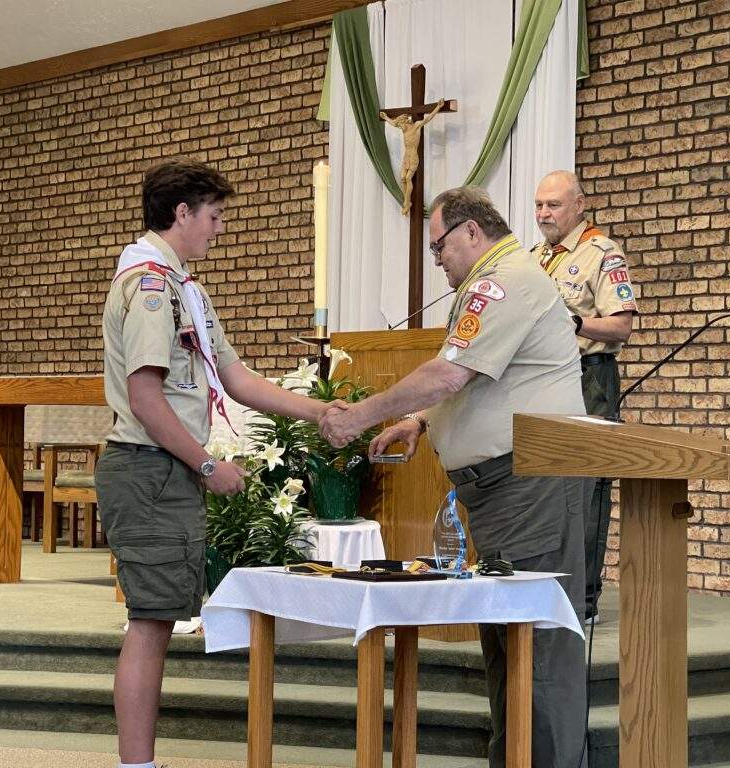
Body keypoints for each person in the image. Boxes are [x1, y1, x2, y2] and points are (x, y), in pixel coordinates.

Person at [320, 186, 593, 768]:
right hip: (504, 488)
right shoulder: (484, 285)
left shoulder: (506, 279)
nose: (436, 257)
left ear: (473, 231)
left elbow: (450, 374)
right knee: (505, 639)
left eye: (439, 244)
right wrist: (418, 421)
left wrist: (364, 415)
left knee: (538, 642)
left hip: (534, 482)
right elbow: (477, 378)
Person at [95, 159, 334, 768]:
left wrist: (323, 412)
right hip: (149, 468)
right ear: (183, 213)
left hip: (163, 469)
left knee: (159, 617)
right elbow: (147, 398)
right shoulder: (150, 287)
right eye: (215, 215)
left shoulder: (183, 290)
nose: (219, 228)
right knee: (150, 623)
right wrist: (207, 466)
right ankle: (136, 765)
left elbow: (237, 378)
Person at [531, 169, 638, 624]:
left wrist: (574, 324)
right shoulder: (535, 258)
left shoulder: (602, 254)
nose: (543, 214)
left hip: (588, 379)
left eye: (553, 205)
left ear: (579, 206)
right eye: (538, 205)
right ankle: (544, 587)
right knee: (542, 487)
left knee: (587, 489)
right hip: (539, 382)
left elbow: (622, 325)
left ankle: (583, 599)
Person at [379, 100, 445, 216]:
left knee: (408, 178)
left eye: (402, 124)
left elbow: (428, 119)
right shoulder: (404, 129)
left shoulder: (416, 126)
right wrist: (385, 118)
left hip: (413, 156)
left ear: (407, 122)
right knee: (402, 178)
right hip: (406, 157)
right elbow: (394, 123)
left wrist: (438, 107)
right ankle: (407, 201)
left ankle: (406, 202)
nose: (400, 127)